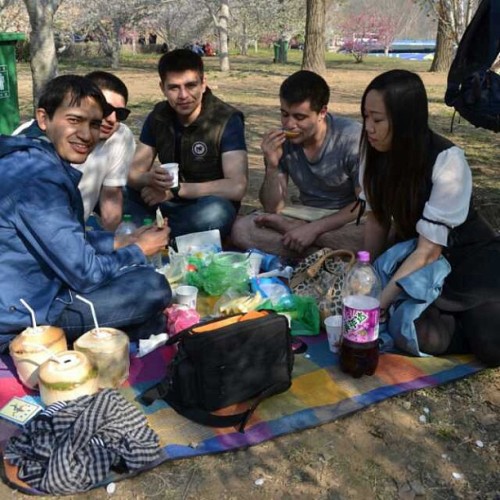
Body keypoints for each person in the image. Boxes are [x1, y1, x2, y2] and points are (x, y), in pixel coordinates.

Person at [0, 75, 171, 347]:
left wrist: (121, 240)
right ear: (44, 119)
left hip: (38, 285)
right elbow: (85, 272)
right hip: (23, 311)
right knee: (153, 286)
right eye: (74, 121)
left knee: (144, 291)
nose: (86, 134)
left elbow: (63, 240)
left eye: (93, 124)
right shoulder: (35, 177)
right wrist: (138, 250)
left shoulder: (33, 156)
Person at [359, 69, 500, 367]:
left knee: (491, 346)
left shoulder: (447, 161)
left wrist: (380, 302)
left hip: (471, 262)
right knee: (421, 336)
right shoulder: (372, 154)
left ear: (405, 120)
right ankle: (458, 318)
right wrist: (367, 277)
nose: (369, 128)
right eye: (365, 117)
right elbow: (377, 220)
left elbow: (428, 250)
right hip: (427, 269)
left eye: (378, 120)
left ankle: (476, 316)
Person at [230, 70, 363, 257]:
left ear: (322, 112)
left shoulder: (351, 138)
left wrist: (313, 230)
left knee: (374, 235)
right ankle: (328, 255)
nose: (289, 124)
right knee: (241, 229)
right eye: (284, 114)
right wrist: (272, 165)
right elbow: (273, 207)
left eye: (299, 117)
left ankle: (301, 245)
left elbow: (362, 204)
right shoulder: (282, 143)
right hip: (304, 214)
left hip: (345, 217)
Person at [126, 48, 248, 240]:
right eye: (174, 87)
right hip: (163, 202)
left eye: (190, 85)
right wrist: (151, 179)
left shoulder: (226, 119)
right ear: (162, 88)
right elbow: (133, 174)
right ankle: (171, 237)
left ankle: (155, 236)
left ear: (203, 84)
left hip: (203, 204)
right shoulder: (158, 116)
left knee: (217, 212)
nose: (183, 95)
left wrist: (175, 190)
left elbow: (236, 187)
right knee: (114, 190)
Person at [13, 71, 135, 231]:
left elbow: (111, 196)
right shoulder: (30, 147)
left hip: (72, 235)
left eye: (120, 114)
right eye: (106, 109)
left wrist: (117, 243)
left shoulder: (120, 136)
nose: (112, 119)